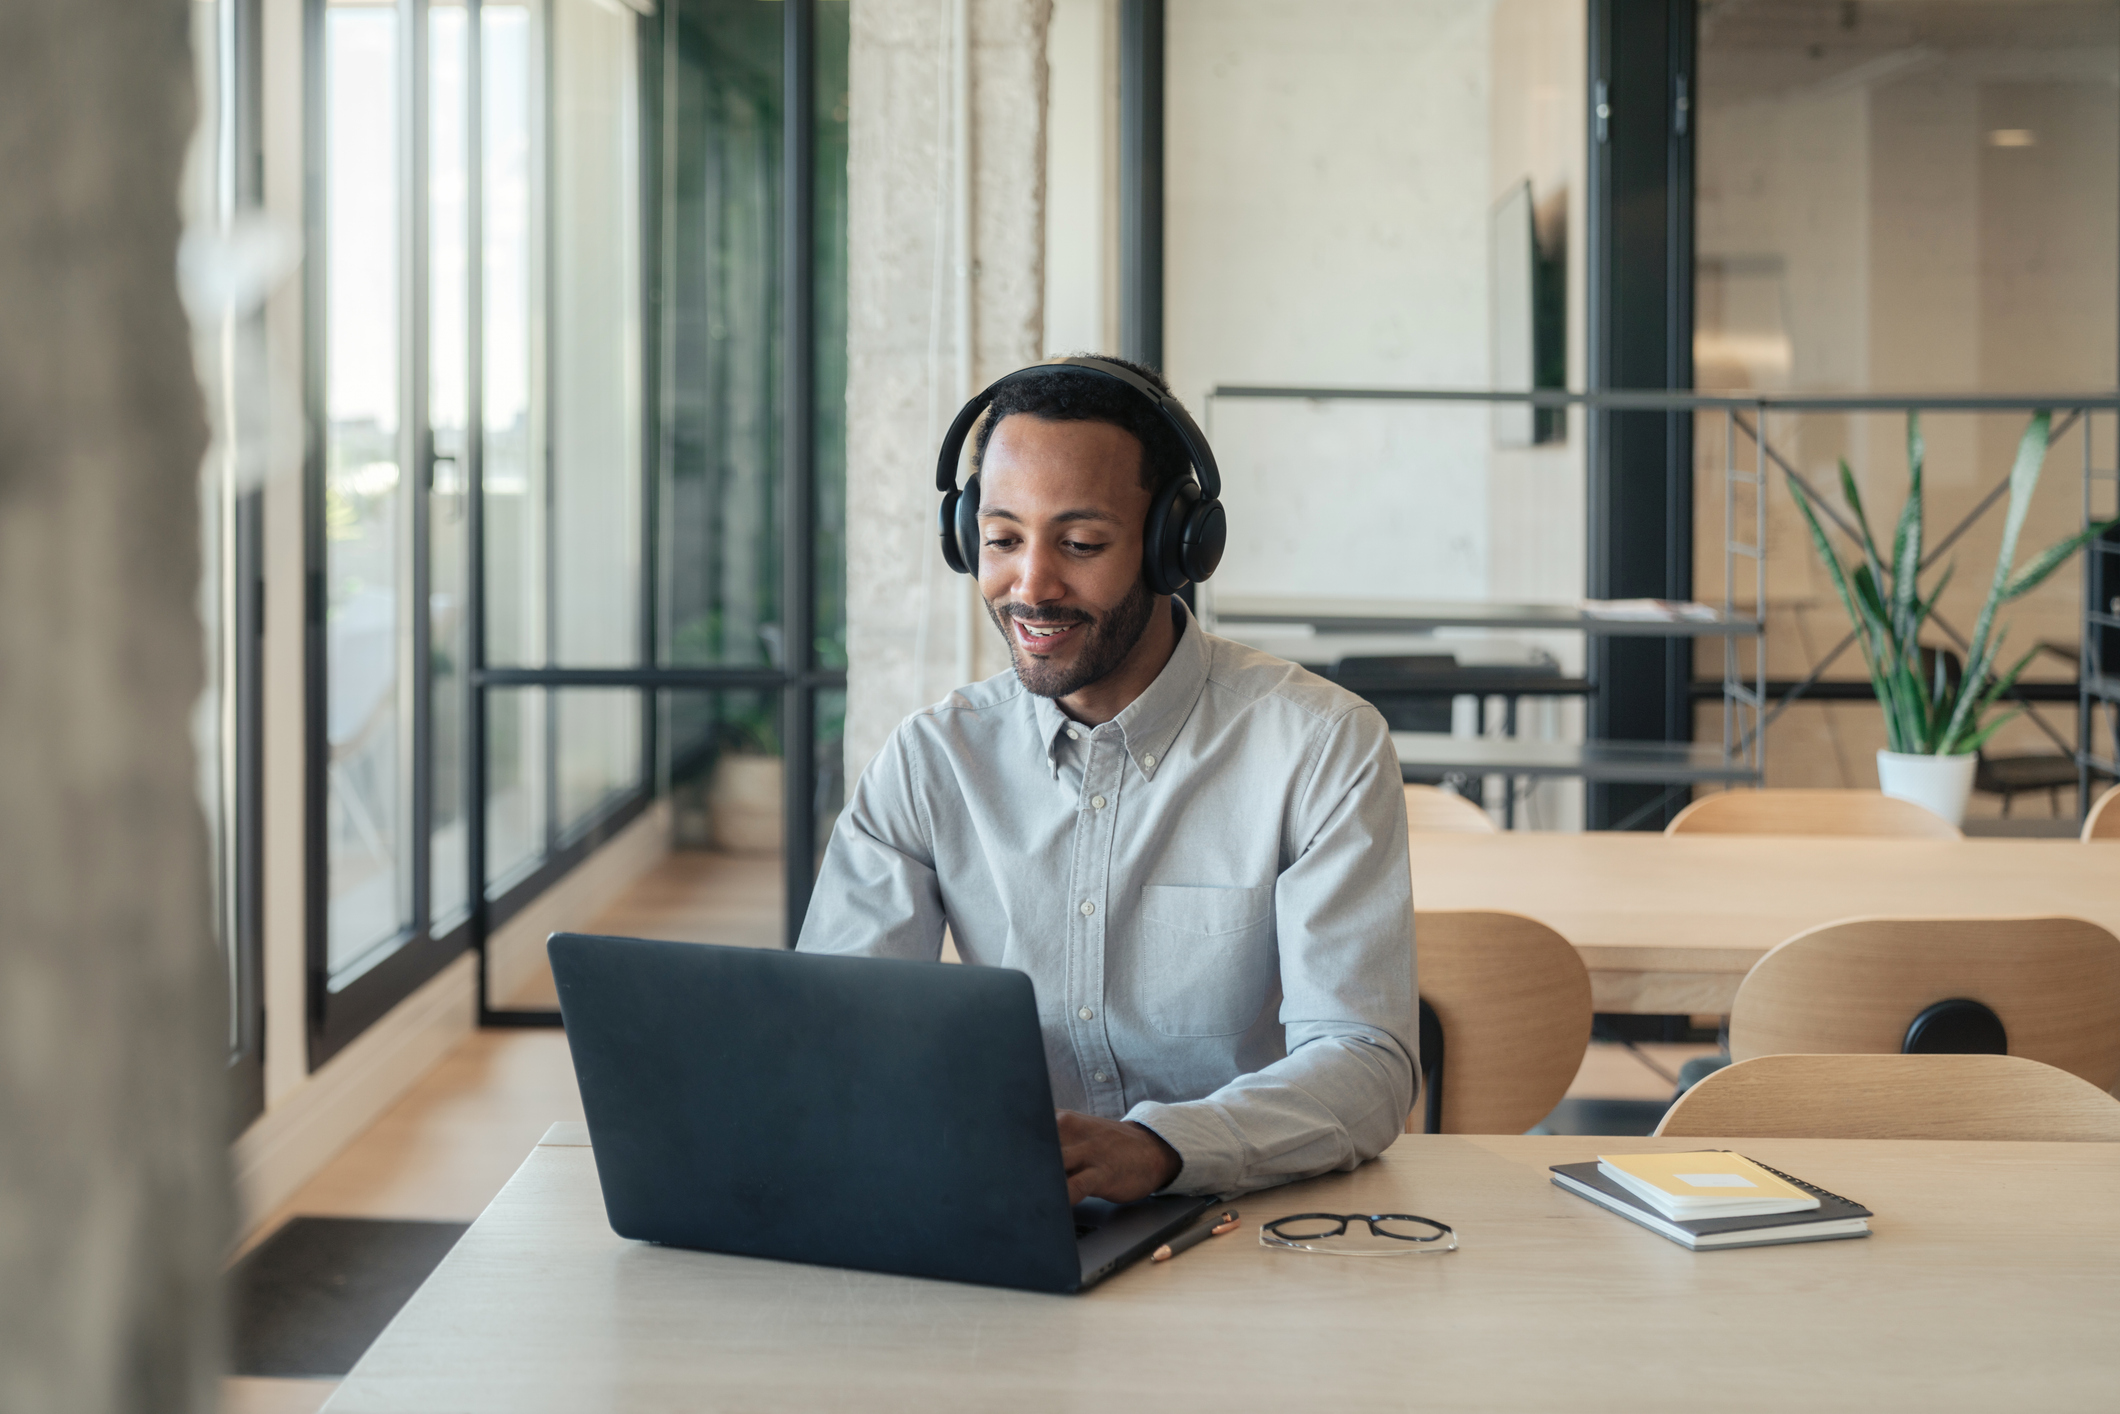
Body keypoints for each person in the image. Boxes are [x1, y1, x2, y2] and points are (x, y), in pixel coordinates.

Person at [798, 356, 1416, 1203]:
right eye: (1002, 540)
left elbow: (1365, 1067)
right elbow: (837, 1031)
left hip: (1249, 1216)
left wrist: (1161, 1149)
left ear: (1176, 547)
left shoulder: (1319, 747)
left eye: (1081, 545)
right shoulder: (931, 759)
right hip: (1008, 1213)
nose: (1032, 586)